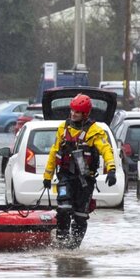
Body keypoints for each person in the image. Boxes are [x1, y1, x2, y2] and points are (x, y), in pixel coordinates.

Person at [43, 93, 117, 249]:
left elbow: (106, 149)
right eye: (72, 110)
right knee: (63, 209)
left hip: (85, 181)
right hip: (65, 177)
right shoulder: (63, 129)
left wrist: (111, 169)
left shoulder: (94, 131)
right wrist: (47, 176)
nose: (73, 114)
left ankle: (74, 248)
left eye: (77, 111)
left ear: (85, 113)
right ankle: (62, 244)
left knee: (80, 216)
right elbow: (53, 152)